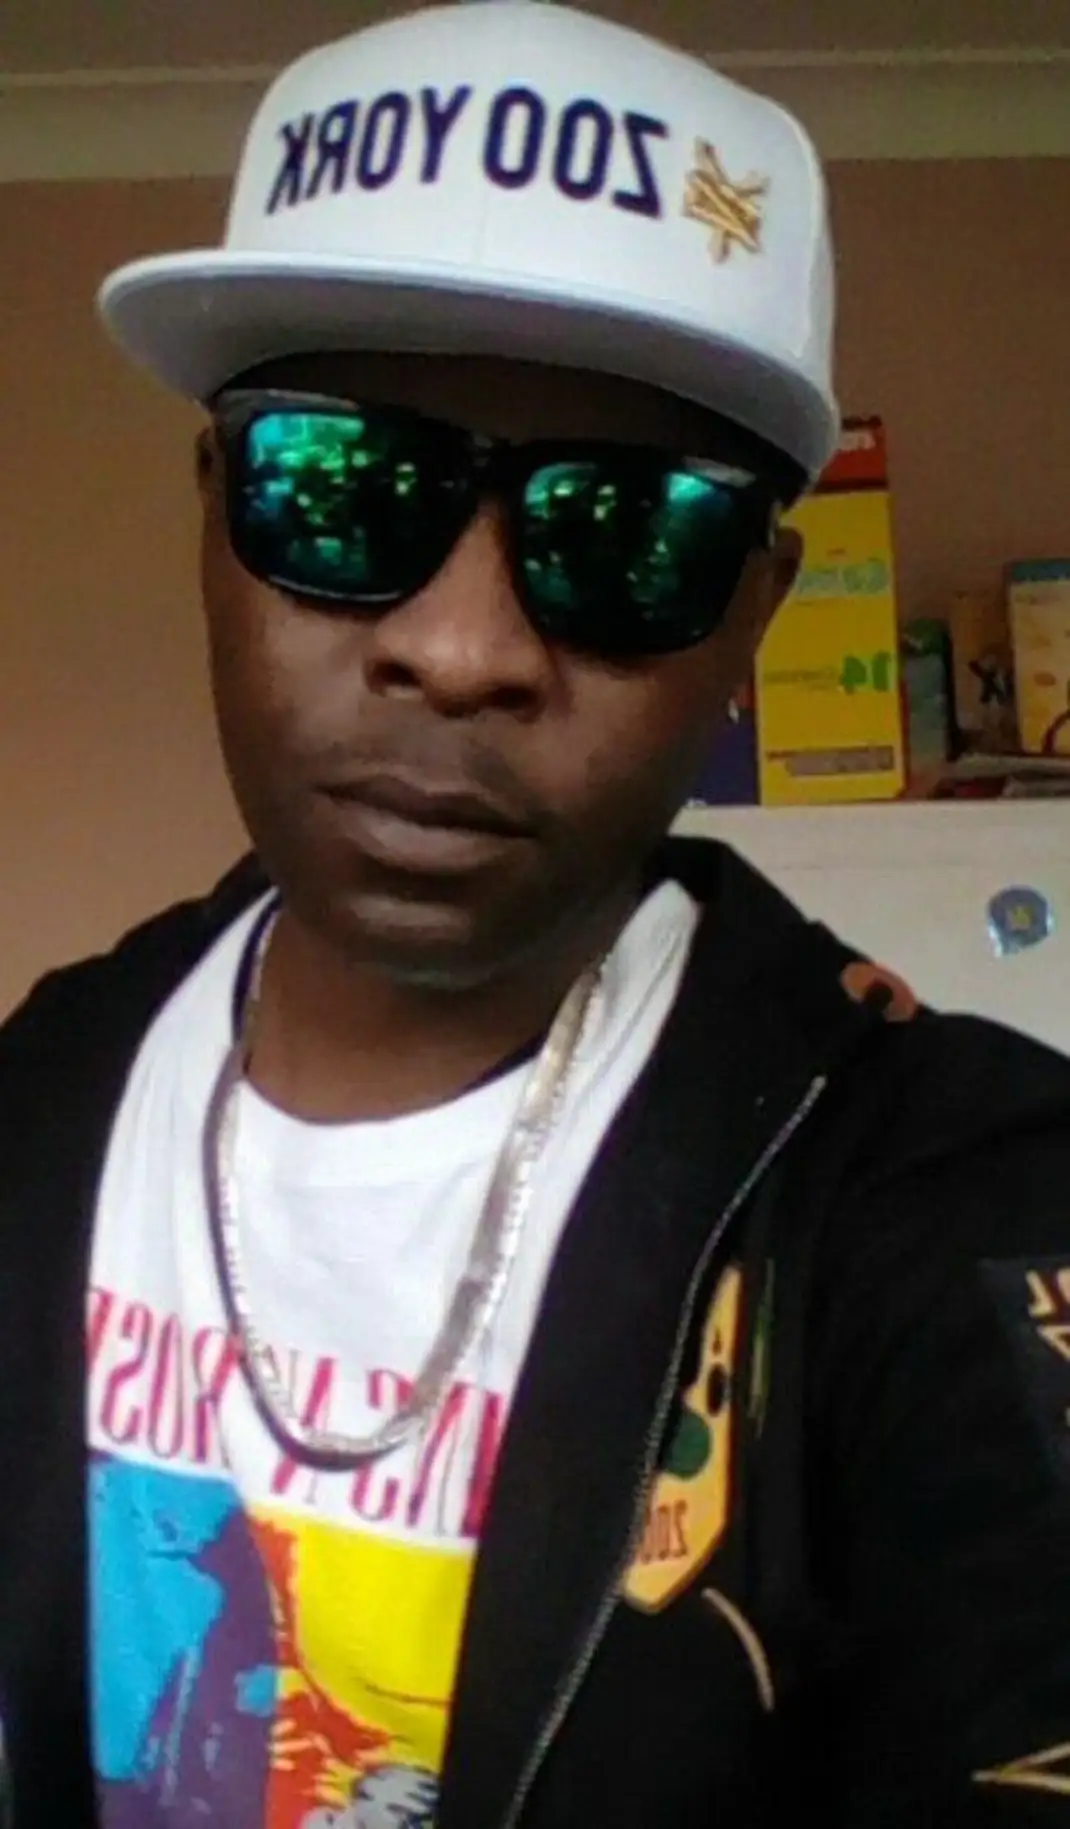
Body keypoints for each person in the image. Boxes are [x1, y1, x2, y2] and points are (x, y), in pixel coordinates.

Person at [3, 3, 1069, 1825]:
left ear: (748, 618)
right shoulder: (48, 1087)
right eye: (342, 488)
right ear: (212, 519)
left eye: (624, 536)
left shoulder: (955, 1216)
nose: (460, 648)